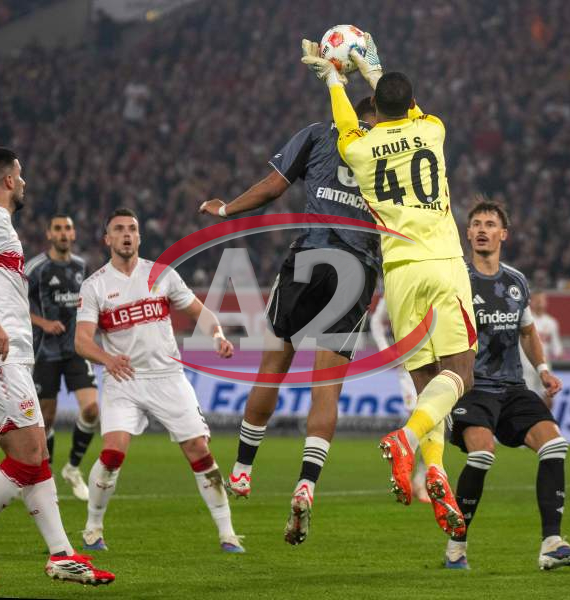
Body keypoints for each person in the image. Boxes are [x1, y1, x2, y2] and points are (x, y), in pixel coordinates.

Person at [303, 37, 476, 535]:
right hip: (442, 262)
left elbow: (346, 122)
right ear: (412, 102)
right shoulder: (433, 130)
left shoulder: (358, 148)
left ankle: (435, 471)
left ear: (375, 110)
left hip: (398, 275)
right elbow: (406, 107)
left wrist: (334, 80)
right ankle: (406, 439)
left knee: (426, 384)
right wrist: (371, 67)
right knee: (461, 374)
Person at [198, 76, 380, 545]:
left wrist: (226, 210)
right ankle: (306, 484)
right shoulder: (391, 152)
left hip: (311, 256)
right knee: (327, 387)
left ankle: (242, 470)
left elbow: (272, 187)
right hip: (357, 269)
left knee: (273, 365)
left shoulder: (320, 133)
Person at [0, 147, 114, 592]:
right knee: (28, 455)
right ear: (6, 181)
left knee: (36, 457)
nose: (24, 182)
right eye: (20, 175)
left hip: (6, 357)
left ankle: (61, 554)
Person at [74, 207, 245, 553]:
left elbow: (201, 312)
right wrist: (108, 359)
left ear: (139, 237)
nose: (126, 234)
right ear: (107, 239)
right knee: (112, 453)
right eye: (118, 229)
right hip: (124, 379)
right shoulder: (95, 285)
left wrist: (217, 336)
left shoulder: (162, 274)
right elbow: (81, 341)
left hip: (168, 377)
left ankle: (228, 534)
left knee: (199, 450)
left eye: (132, 229)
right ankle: (93, 528)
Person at [446, 199, 570, 571]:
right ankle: (456, 547)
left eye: (490, 224)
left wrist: (542, 369)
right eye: (476, 224)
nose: (482, 229)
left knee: (555, 445)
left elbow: (527, 331)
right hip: (472, 388)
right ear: (468, 233)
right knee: (482, 453)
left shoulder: (516, 281)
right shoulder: (456, 280)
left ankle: (552, 544)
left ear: (503, 234)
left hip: (512, 388)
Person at [26, 214, 98, 501]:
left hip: (77, 349)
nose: (63, 233)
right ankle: (45, 478)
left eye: (68, 228)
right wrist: (43, 323)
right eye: (58, 228)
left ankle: (73, 468)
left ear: (74, 234)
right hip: (46, 351)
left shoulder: (82, 267)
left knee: (91, 410)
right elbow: (14, 304)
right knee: (46, 418)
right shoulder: (36, 268)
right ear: (49, 234)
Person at [368, 293, 428, 503]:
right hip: (409, 367)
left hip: (435, 362)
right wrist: (385, 351)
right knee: (423, 421)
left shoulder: (434, 285)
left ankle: (420, 479)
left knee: (435, 423)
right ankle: (411, 476)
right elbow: (376, 320)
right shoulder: (396, 287)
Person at [519, 292, 563, 408]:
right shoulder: (525, 320)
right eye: (536, 300)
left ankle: (546, 418)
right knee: (527, 400)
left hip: (545, 367)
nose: (539, 303)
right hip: (526, 366)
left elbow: (556, 346)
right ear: (530, 302)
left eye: (542, 300)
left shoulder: (551, 322)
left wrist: (559, 353)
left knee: (548, 399)